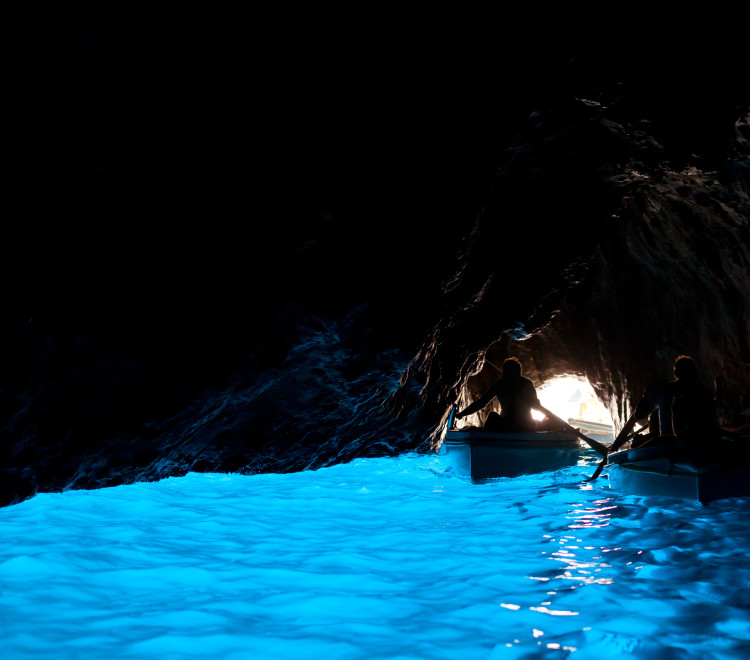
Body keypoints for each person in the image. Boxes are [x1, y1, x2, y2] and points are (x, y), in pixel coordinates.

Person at [612, 355, 719, 457]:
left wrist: (615, 447)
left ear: (676, 373)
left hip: (668, 444)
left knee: (637, 443)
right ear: (695, 372)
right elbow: (714, 427)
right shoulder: (706, 393)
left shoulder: (664, 390)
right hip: (701, 444)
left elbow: (637, 416)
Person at [455, 357, 553, 433]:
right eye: (506, 372)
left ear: (518, 373)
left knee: (493, 416)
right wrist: (461, 414)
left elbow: (536, 406)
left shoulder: (525, 385)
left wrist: (553, 419)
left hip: (523, 426)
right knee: (492, 416)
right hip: (513, 426)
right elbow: (481, 403)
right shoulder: (500, 384)